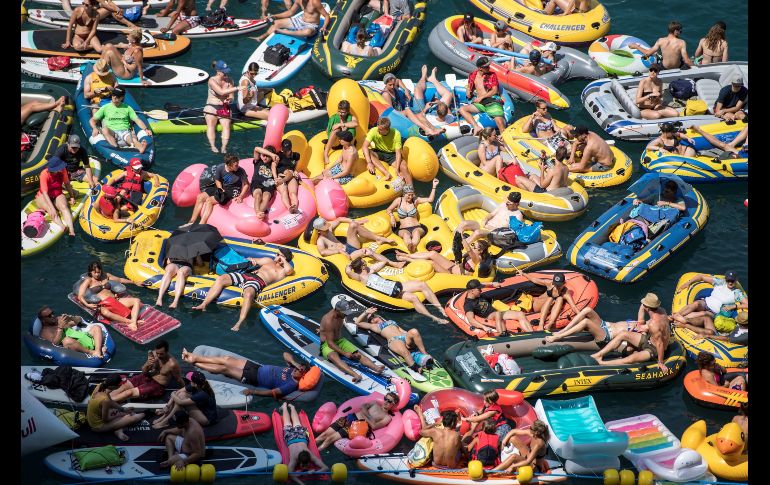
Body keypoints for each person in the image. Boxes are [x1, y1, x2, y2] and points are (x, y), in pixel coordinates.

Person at [192, 248, 295, 331]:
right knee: (221, 279)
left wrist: (283, 260)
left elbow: (290, 270)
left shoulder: (283, 271)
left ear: (284, 258)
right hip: (247, 275)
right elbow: (250, 258)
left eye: (279, 254)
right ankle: (203, 304)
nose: (276, 256)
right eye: (276, 254)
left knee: (249, 294)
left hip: (258, 281)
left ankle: (240, 322)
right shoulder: (268, 261)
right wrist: (252, 260)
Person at [346, 256, 449, 324]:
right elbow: (348, 271)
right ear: (363, 266)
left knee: (419, 288)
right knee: (416, 293)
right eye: (365, 263)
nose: (367, 264)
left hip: (395, 286)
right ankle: (434, 318)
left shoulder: (370, 270)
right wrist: (351, 264)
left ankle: (440, 309)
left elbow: (384, 261)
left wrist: (372, 253)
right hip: (392, 292)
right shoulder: (360, 277)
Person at [182, 348, 311, 399]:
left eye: (300, 370)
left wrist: (252, 392)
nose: (297, 369)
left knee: (225, 369)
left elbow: (274, 393)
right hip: (257, 367)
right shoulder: (291, 369)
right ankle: (195, 357)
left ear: (303, 375)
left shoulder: (291, 384)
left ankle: (194, 363)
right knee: (226, 359)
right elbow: (285, 354)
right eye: (298, 367)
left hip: (254, 378)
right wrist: (294, 363)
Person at [590, 293, 671, 371]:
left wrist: (660, 362)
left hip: (654, 349)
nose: (642, 305)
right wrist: (644, 327)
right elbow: (643, 320)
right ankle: (599, 355)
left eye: (644, 304)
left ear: (648, 307)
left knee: (631, 359)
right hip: (649, 339)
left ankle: (602, 364)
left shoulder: (654, 325)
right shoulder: (662, 311)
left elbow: (659, 344)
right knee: (623, 334)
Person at [352, 306, 436, 374]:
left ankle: (424, 353)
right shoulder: (375, 327)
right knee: (405, 352)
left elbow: (402, 330)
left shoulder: (390, 321)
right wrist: (366, 312)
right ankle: (415, 368)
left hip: (403, 337)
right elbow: (358, 323)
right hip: (394, 340)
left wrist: (408, 335)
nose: (373, 319)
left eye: (373, 316)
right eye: (370, 319)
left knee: (414, 331)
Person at [318, 301, 387, 383]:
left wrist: (366, 312)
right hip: (327, 344)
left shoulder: (341, 315)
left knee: (358, 355)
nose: (346, 314)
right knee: (335, 358)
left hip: (340, 340)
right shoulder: (329, 321)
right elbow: (330, 343)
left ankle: (376, 368)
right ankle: (355, 375)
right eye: (344, 312)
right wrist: (345, 353)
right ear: (337, 310)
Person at [316, 391, 400, 450]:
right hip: (349, 418)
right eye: (386, 398)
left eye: (389, 401)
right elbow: (362, 406)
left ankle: (317, 451)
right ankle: (309, 445)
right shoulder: (374, 403)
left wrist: (364, 414)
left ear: (393, 404)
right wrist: (369, 418)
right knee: (324, 434)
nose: (386, 402)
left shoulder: (387, 417)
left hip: (356, 426)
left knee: (330, 438)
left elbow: (374, 426)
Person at [671, 271, 746, 337]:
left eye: (732, 281)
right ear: (725, 279)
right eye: (728, 280)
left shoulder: (737, 293)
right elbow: (701, 277)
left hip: (715, 312)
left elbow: (747, 304)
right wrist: (689, 282)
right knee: (696, 303)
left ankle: (683, 320)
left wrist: (735, 306)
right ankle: (676, 316)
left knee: (705, 314)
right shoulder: (720, 282)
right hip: (705, 303)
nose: (730, 282)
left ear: (736, 281)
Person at [78, 260, 147, 330]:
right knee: (105, 313)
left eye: (98, 272)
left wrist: (134, 282)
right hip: (104, 304)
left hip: (115, 300)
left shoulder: (105, 275)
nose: (97, 274)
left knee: (136, 300)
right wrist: (87, 305)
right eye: (94, 272)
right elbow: (80, 295)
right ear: (90, 272)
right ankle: (131, 322)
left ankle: (134, 322)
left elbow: (120, 280)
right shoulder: (88, 281)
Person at [183, 154, 249, 227]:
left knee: (209, 201)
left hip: (233, 190)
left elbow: (246, 184)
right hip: (222, 188)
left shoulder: (241, 171)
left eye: (237, 164)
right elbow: (217, 180)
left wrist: (241, 196)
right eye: (235, 165)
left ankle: (201, 224)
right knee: (200, 197)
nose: (238, 166)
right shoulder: (221, 168)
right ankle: (191, 222)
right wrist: (220, 189)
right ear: (229, 165)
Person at [111, 340, 184, 402]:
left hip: (157, 385)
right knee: (124, 386)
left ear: (167, 351)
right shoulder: (153, 354)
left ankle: (106, 403)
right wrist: (148, 364)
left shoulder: (172, 364)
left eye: (161, 354)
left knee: (129, 392)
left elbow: (179, 379)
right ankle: (103, 399)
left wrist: (184, 390)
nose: (158, 356)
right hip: (147, 377)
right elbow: (144, 371)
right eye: (157, 353)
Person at [381, 70, 445, 138]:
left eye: (393, 84)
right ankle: (426, 129)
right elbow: (392, 112)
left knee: (421, 115)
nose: (392, 87)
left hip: (402, 112)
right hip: (395, 116)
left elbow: (398, 80)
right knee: (408, 111)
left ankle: (434, 129)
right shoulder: (386, 94)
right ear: (385, 83)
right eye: (390, 85)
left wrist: (405, 90)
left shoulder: (393, 85)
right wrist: (405, 112)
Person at [89, 87, 152, 153]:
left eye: (118, 96)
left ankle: (141, 148)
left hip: (124, 131)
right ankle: (115, 148)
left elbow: (137, 120)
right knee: (105, 130)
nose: (115, 97)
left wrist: (146, 129)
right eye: (113, 95)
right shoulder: (105, 107)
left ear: (122, 97)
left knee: (133, 140)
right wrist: (94, 128)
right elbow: (92, 120)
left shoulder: (127, 108)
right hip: (112, 131)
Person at [279, 402, 329, 484]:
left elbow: (326, 468)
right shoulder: (294, 458)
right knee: (290, 423)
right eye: (304, 465)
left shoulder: (310, 456)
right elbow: (290, 473)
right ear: (299, 461)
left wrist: (315, 472)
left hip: (299, 437)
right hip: (293, 438)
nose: (305, 467)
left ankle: (288, 407)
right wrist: (302, 484)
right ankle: (288, 407)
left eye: (306, 465)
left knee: (293, 423)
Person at [396, 237, 494, 278]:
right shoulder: (472, 254)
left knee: (432, 263)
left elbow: (468, 249)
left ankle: (406, 259)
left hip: (452, 275)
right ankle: (407, 255)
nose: (472, 247)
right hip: (452, 266)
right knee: (433, 254)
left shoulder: (477, 258)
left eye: (474, 246)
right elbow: (460, 256)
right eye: (473, 245)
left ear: (480, 251)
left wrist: (461, 237)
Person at [86, 375, 145, 441]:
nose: (121, 386)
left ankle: (118, 430)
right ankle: (117, 429)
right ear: (113, 387)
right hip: (98, 426)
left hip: (96, 417)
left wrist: (123, 409)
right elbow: (105, 419)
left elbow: (111, 401)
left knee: (123, 412)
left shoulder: (100, 386)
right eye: (120, 385)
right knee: (134, 417)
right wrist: (120, 414)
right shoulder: (105, 400)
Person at [385, 179, 439, 252]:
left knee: (416, 233)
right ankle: (409, 245)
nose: (410, 197)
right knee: (405, 235)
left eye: (412, 194)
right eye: (409, 195)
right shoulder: (398, 201)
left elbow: (430, 199)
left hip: (417, 227)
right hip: (403, 229)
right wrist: (392, 217)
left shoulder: (415, 200)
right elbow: (388, 209)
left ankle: (413, 246)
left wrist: (434, 186)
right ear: (404, 194)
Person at [464, 279, 533, 335]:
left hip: (496, 313)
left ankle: (532, 333)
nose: (481, 290)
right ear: (472, 291)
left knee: (520, 314)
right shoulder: (468, 304)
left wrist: (492, 284)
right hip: (489, 316)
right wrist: (484, 327)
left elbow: (484, 285)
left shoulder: (477, 294)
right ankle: (502, 335)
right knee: (497, 313)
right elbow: (471, 320)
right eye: (479, 289)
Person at [545, 306, 644, 345]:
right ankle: (562, 331)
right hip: (605, 324)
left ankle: (558, 337)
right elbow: (642, 307)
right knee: (588, 310)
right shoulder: (639, 322)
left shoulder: (641, 333)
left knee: (586, 322)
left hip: (606, 334)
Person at [203, 60, 244, 154]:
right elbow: (221, 92)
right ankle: (213, 146)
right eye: (224, 72)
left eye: (226, 71)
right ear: (218, 71)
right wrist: (238, 88)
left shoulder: (230, 81)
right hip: (211, 106)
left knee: (226, 126)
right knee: (211, 124)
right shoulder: (212, 80)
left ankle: (223, 147)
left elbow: (231, 96)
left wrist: (230, 99)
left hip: (224, 107)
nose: (226, 74)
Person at [153, 371, 218, 428]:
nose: (190, 381)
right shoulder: (198, 384)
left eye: (191, 380)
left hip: (206, 419)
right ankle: (164, 417)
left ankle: (166, 421)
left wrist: (172, 394)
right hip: (200, 410)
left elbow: (180, 402)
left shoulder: (203, 394)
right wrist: (168, 406)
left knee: (180, 400)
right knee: (181, 394)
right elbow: (178, 392)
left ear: (195, 384)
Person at [459, 57, 506, 135]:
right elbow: (469, 86)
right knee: (462, 109)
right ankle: (476, 127)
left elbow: (495, 91)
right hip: (480, 103)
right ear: (480, 68)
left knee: (499, 121)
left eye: (489, 66)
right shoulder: (472, 75)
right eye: (486, 67)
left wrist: (481, 97)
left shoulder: (492, 75)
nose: (489, 68)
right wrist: (468, 90)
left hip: (492, 101)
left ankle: (504, 139)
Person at [313, 216, 394, 261]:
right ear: (319, 231)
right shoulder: (321, 240)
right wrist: (339, 251)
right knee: (366, 250)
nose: (327, 229)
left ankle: (378, 238)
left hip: (348, 246)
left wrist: (355, 221)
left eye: (327, 227)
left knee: (353, 225)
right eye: (325, 229)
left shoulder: (329, 230)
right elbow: (323, 252)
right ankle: (390, 262)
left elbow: (339, 219)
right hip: (348, 255)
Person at [37, 306, 107, 359]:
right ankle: (92, 352)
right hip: (77, 346)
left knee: (96, 327)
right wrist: (60, 328)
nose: (52, 316)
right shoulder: (45, 332)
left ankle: (98, 350)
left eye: (52, 313)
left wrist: (71, 318)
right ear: (43, 320)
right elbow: (54, 344)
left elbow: (79, 321)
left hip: (83, 338)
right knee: (66, 340)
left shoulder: (59, 319)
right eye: (49, 316)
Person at [455, 192, 523, 245]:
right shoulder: (503, 205)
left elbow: (510, 231)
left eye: (509, 203)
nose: (507, 204)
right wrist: (485, 219)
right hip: (485, 224)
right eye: (507, 202)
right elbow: (492, 214)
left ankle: (461, 247)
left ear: (516, 204)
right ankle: (454, 241)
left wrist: (491, 228)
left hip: (493, 232)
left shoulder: (518, 215)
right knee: (464, 223)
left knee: (477, 232)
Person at [35, 157, 77, 237]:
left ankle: (71, 230)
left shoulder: (63, 170)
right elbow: (44, 193)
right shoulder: (44, 173)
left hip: (57, 193)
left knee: (64, 207)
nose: (62, 168)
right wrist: (52, 208)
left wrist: (72, 196)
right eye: (60, 167)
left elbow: (67, 183)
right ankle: (62, 226)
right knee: (51, 210)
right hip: (43, 196)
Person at [252, 0, 331, 42]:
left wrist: (324, 27)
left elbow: (327, 16)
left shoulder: (315, 2)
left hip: (311, 25)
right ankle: (261, 37)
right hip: (300, 21)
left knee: (308, 32)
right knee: (276, 23)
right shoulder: (299, 0)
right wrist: (275, 16)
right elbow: (290, 12)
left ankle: (283, 32)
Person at [363, 117, 408, 184]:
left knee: (404, 168)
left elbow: (398, 153)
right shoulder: (374, 130)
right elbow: (364, 146)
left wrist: (397, 169)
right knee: (368, 152)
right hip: (379, 152)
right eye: (378, 128)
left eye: (380, 130)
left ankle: (410, 191)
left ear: (387, 129)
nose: (378, 131)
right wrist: (369, 163)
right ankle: (386, 173)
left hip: (392, 154)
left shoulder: (396, 133)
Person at [323, 100, 359, 165]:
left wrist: (341, 124)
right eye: (339, 111)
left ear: (347, 112)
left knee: (352, 128)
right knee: (336, 130)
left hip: (347, 143)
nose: (340, 114)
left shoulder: (351, 117)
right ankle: (325, 154)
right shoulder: (334, 118)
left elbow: (355, 123)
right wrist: (338, 130)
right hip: (336, 143)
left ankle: (345, 154)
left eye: (343, 112)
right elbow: (327, 130)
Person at [251, 145, 280, 220]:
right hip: (257, 183)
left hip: (269, 184)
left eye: (268, 156)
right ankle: (258, 213)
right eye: (264, 155)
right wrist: (271, 154)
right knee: (258, 195)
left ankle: (259, 213)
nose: (265, 158)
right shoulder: (258, 161)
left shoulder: (273, 165)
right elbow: (256, 148)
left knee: (266, 196)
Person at [274, 139, 302, 213]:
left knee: (292, 193)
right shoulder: (279, 155)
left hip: (290, 176)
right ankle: (289, 207)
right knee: (284, 192)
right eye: (284, 150)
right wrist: (275, 177)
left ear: (291, 148)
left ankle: (295, 206)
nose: (286, 152)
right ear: (282, 149)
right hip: (281, 176)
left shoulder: (296, 155)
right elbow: (273, 165)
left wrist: (295, 171)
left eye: (288, 150)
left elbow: (295, 166)